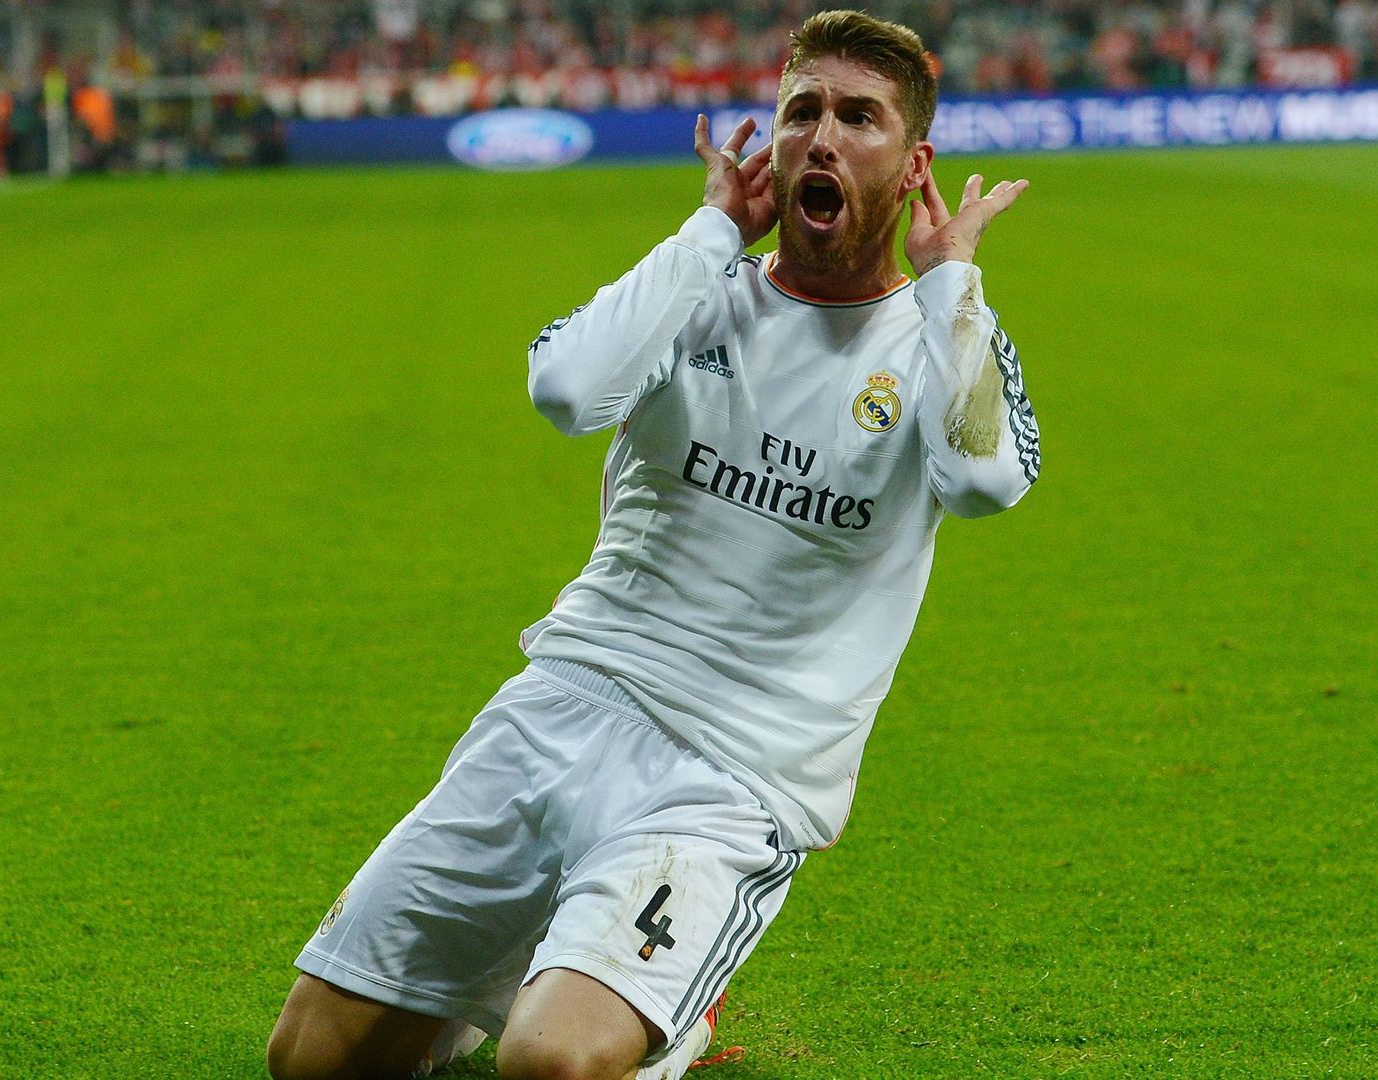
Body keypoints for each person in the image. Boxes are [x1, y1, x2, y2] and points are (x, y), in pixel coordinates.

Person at [266, 10, 1043, 1080]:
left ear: (914, 165)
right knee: (308, 1062)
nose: (821, 138)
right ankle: (508, 976)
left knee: (551, 1064)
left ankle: (672, 1011)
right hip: (560, 706)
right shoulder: (700, 293)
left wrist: (953, 278)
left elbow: (985, 481)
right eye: (801, 112)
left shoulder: (938, 342)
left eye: (859, 118)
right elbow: (565, 390)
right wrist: (713, 230)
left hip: (733, 774)